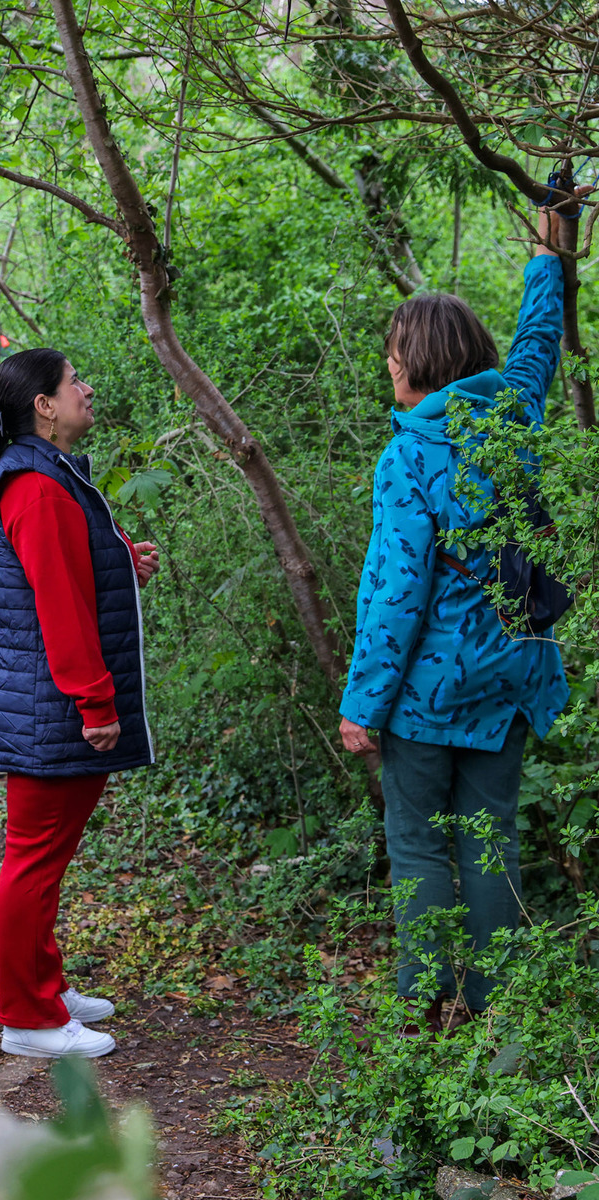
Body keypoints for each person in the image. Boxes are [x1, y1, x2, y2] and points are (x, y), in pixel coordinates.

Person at [338, 200, 572, 1029]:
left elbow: (395, 597)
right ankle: (494, 1013)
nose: (386, 365)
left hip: (425, 693)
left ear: (417, 367)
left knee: (415, 844)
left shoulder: (407, 455)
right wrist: (550, 250)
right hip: (508, 676)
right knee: (488, 840)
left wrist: (362, 704)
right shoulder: (513, 411)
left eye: (393, 354)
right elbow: (539, 338)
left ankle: (422, 1009)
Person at [0, 348, 159, 1059]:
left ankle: (44, 985)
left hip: (39, 699)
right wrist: (94, 702)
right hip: (48, 705)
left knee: (44, 859)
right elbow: (56, 605)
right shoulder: (33, 486)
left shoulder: (48, 472)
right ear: (42, 404)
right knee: (32, 862)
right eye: (75, 382)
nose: (86, 388)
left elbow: (66, 571)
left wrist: (122, 562)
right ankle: (28, 1019)